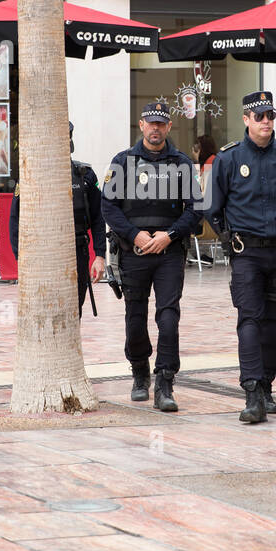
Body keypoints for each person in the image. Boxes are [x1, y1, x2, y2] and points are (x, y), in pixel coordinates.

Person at [204, 92, 276, 424]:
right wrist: (227, 237)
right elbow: (212, 207)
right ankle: (251, 392)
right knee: (249, 320)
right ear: (246, 119)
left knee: (273, 323)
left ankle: (267, 385)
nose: (266, 122)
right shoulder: (228, 158)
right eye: (259, 116)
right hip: (246, 252)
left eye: (270, 116)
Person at [100, 101, 201, 413]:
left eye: (161, 123)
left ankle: (166, 381)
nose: (155, 128)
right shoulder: (123, 161)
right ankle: (140, 372)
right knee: (135, 318)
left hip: (169, 253)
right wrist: (136, 235)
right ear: (141, 125)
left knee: (168, 317)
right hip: (134, 252)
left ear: (168, 127)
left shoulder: (182, 163)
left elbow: (197, 211)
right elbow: (108, 207)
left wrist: (168, 235)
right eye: (150, 123)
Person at [9, 121, 107, 315]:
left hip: (78, 250)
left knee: (74, 310)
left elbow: (98, 218)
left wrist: (100, 255)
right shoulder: (31, 175)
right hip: (43, 253)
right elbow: (15, 221)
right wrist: (21, 259)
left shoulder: (85, 175)